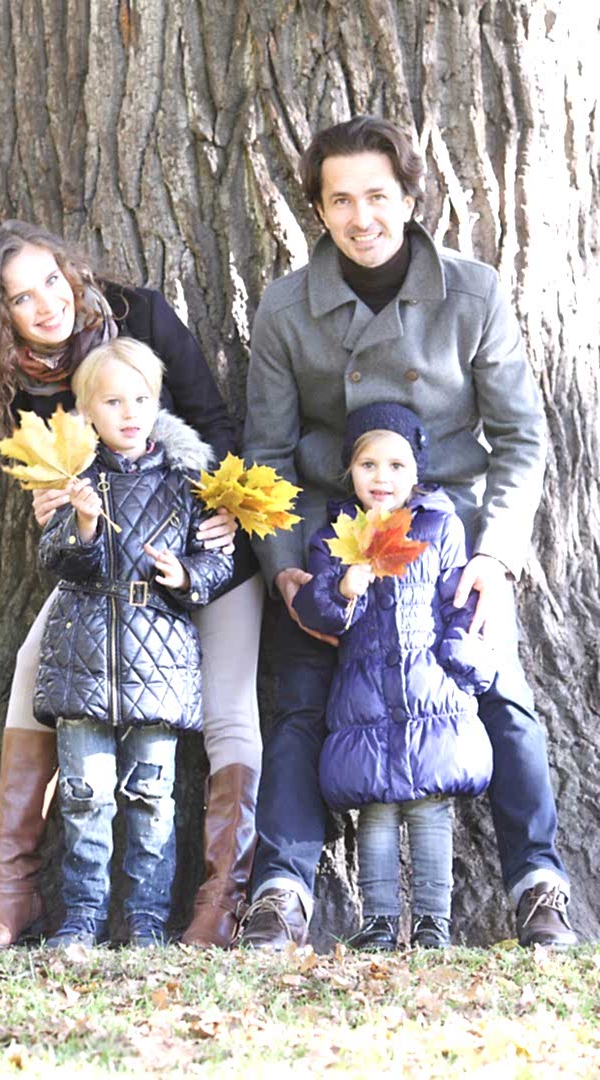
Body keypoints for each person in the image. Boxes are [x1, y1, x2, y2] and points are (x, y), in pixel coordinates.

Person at [241, 115, 577, 949]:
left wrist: (494, 555)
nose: (361, 217)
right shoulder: (285, 307)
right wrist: (285, 566)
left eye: (377, 196)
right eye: (340, 200)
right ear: (318, 209)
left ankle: (537, 883)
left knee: (502, 693)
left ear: (408, 197)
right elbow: (268, 452)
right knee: (298, 702)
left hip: (447, 536)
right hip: (332, 539)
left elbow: (521, 436)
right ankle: (279, 892)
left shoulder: (471, 290)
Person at [0, 221, 262, 951]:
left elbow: (212, 418)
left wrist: (224, 504)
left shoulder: (140, 314)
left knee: (229, 705)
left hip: (204, 545)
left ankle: (222, 901)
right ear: (0, 315)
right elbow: (49, 475)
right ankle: (14, 890)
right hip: (105, 571)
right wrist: (52, 503)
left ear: (69, 272)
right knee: (33, 670)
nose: (47, 304)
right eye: (22, 298)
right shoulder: (18, 382)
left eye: (51, 281)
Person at [32, 339, 233, 947]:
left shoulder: (188, 482)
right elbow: (56, 559)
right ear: (87, 412)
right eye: (113, 402)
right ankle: (83, 915)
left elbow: (217, 559)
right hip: (85, 656)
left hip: (159, 657)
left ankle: (147, 917)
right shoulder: (72, 478)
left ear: (158, 402)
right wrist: (85, 523)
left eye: (141, 399)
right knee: (85, 796)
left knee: (152, 796)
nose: (129, 413)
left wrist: (186, 575)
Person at [293, 402, 495, 949]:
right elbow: (316, 610)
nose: (381, 477)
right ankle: (380, 920)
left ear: (416, 471)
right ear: (350, 470)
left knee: (430, 810)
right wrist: (343, 589)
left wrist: (465, 665)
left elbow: (460, 602)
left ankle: (432, 922)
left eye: (396, 465)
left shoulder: (439, 525)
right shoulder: (337, 536)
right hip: (365, 699)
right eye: (368, 465)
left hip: (431, 690)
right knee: (376, 809)